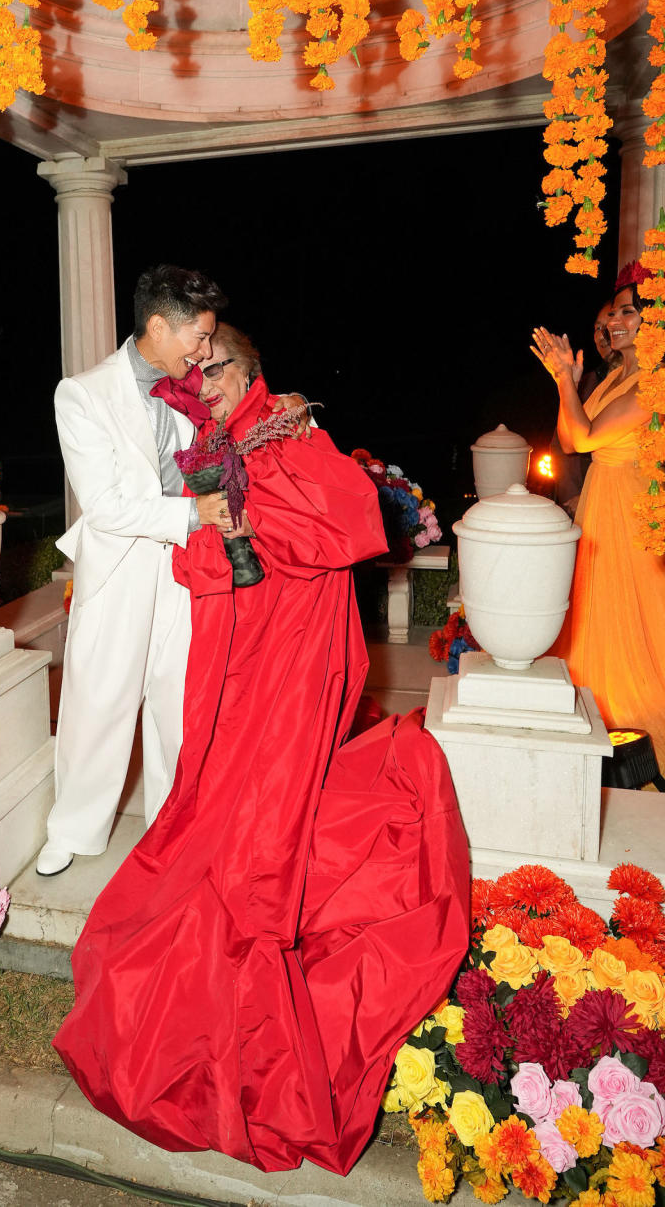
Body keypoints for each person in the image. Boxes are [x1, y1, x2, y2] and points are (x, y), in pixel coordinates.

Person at [54, 324, 471, 1176]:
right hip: (233, 656)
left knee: (256, 831)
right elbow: (201, 559)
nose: (201, 381)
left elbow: (355, 523)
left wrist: (246, 524)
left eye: (217, 369)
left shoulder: (290, 427)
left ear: (250, 368)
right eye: (195, 371)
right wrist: (213, 535)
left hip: (291, 657)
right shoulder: (217, 437)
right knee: (215, 806)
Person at [36, 265, 232, 876]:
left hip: (182, 568)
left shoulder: (193, 384)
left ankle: (170, 828)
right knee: (100, 701)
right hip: (121, 566)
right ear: (157, 326)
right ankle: (73, 827)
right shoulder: (83, 394)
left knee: (176, 702)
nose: (205, 351)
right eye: (197, 338)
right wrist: (195, 511)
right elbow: (105, 506)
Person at [533, 262, 665, 767]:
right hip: (600, 500)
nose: (615, 320)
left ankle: (632, 744)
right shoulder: (618, 377)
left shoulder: (653, 383)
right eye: (615, 311)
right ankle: (594, 737)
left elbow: (584, 436)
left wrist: (567, 379)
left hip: (629, 512)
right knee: (591, 617)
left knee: (627, 625)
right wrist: (564, 381)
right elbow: (570, 438)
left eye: (628, 312)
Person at [549, 300, 620, 510]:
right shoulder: (589, 381)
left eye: (609, 326)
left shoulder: (647, 383)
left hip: (621, 498)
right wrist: (568, 382)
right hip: (582, 501)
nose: (602, 335)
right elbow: (565, 446)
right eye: (597, 328)